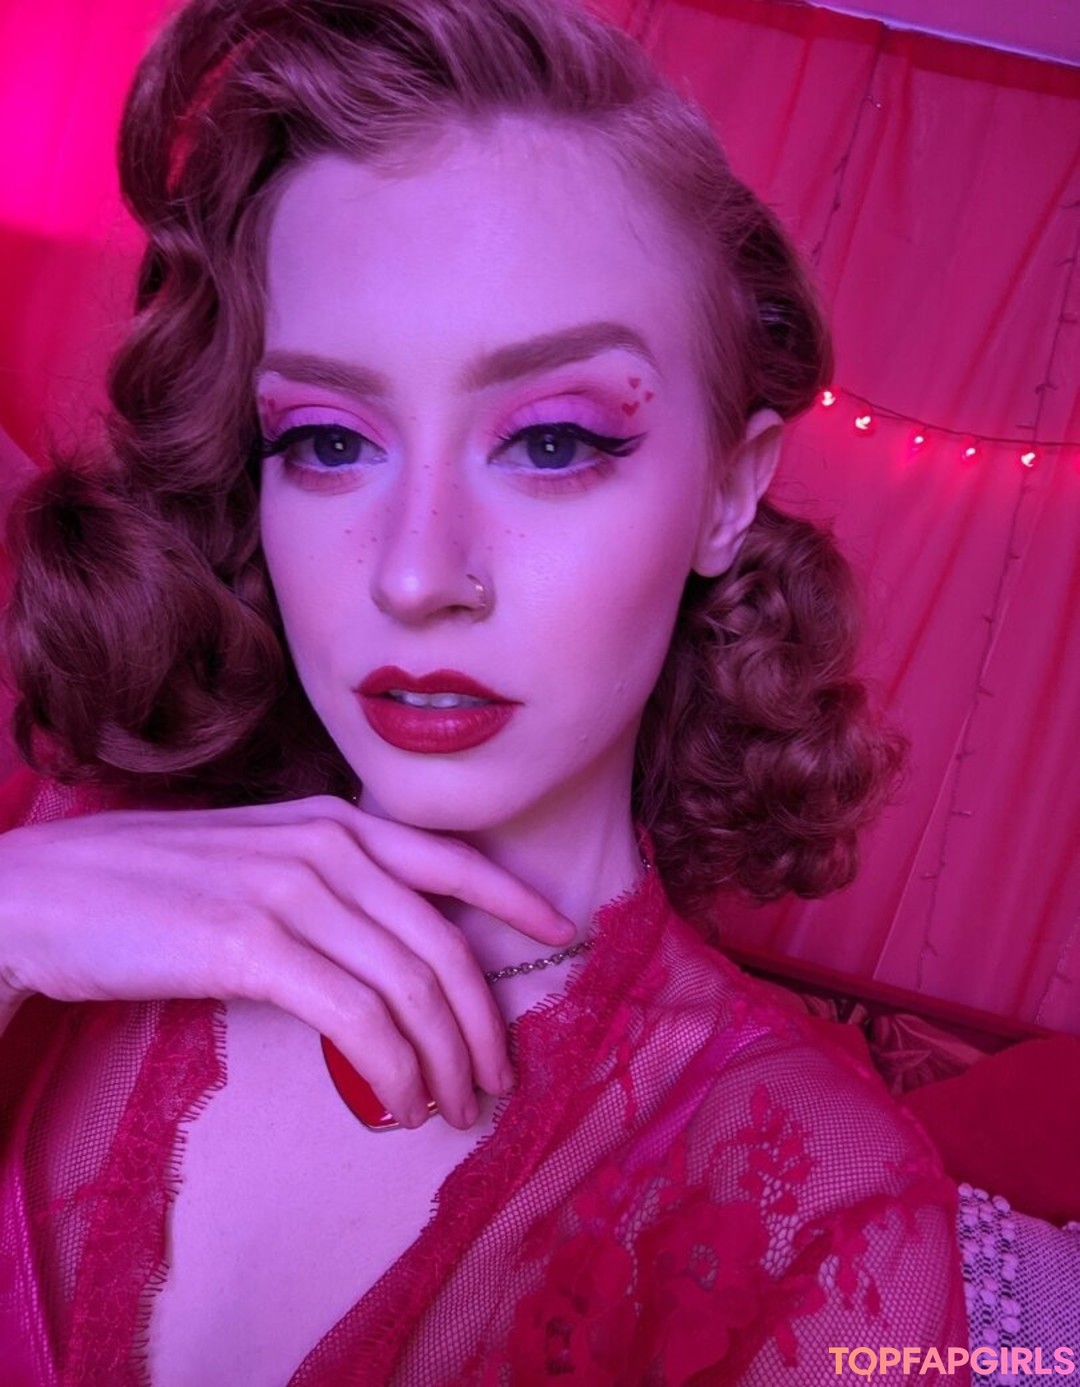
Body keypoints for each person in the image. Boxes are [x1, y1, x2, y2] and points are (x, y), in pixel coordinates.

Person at [0, 0, 971, 1382]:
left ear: (728, 492)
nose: (415, 576)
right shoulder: (68, 865)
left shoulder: (825, 1211)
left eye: (554, 442)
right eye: (328, 440)